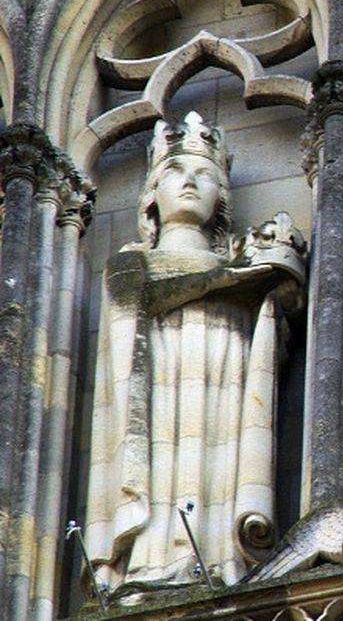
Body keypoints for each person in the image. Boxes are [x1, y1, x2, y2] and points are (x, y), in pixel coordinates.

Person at [85, 112, 305, 590]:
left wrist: (280, 290)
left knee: (214, 462)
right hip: (161, 366)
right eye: (175, 174)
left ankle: (220, 559)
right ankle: (149, 563)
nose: (190, 183)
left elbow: (272, 341)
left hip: (222, 361)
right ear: (151, 196)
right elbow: (144, 291)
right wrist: (242, 276)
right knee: (164, 461)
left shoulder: (238, 268)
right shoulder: (131, 262)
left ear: (220, 197)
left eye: (205, 176)